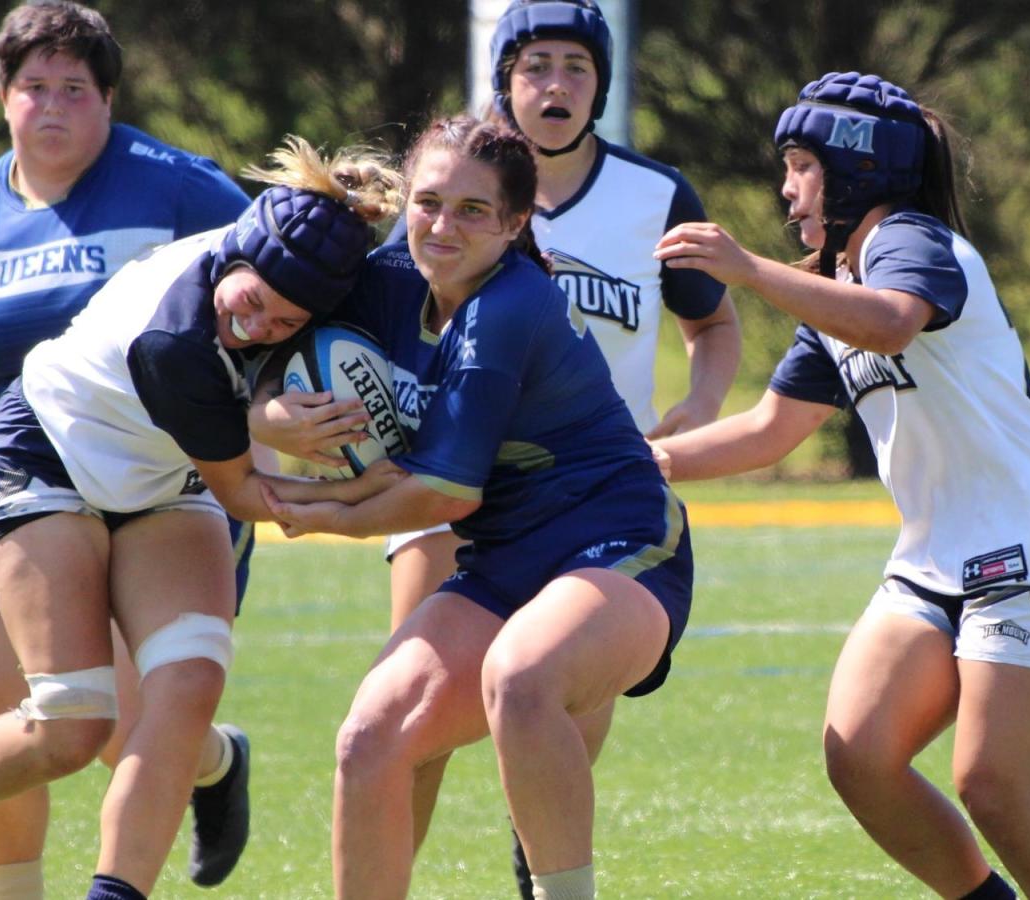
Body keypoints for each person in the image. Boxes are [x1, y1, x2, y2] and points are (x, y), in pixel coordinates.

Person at [249, 4, 737, 891]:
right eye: (427, 203)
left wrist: (305, 507)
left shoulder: (509, 307)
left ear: (516, 226)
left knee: (521, 681)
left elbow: (442, 496)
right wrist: (269, 420)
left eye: (473, 211)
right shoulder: (387, 275)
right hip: (504, 557)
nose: (441, 226)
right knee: (370, 737)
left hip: (622, 541)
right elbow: (262, 341)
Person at [0, 143, 404, 900]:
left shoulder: (289, 282)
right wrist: (375, 496)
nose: (260, 326)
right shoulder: (175, 340)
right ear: (239, 254)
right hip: (51, 451)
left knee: (188, 688)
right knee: (75, 720)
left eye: (288, 322)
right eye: (256, 302)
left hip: (164, 474)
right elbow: (251, 496)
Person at [651, 72, 1030, 900]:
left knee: (992, 785)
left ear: (855, 167)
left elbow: (894, 320)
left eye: (799, 163)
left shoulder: (905, 240)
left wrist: (748, 269)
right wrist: (629, 463)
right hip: (934, 563)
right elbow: (768, 432)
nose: (785, 187)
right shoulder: (837, 291)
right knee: (858, 752)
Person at [0, 3, 258, 895]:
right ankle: (201, 768)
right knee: (0, 710)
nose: (51, 107)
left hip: (162, 471)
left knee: (128, 718)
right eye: (31, 87)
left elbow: (273, 280)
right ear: (3, 95)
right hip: (28, 474)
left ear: (109, 98)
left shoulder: (179, 187)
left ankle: (199, 759)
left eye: (73, 89)